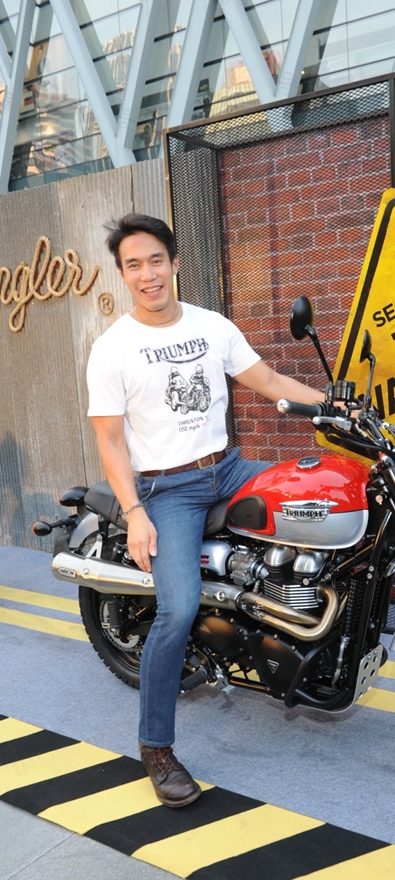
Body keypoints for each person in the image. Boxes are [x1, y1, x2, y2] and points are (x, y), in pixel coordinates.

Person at [87, 213, 325, 808]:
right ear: (123, 274)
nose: (148, 274)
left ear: (174, 263)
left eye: (156, 261)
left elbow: (270, 381)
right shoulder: (113, 348)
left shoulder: (212, 325)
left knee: (315, 497)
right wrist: (134, 511)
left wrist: (339, 405)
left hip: (228, 466)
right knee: (178, 609)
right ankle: (156, 746)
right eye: (134, 265)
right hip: (168, 489)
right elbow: (110, 442)